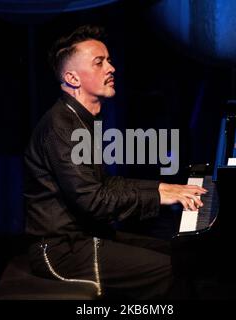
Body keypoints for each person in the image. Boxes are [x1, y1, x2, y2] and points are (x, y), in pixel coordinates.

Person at [24, 25, 207, 299]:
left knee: (178, 252)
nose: (111, 68)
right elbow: (94, 201)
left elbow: (105, 184)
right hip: (61, 252)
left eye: (109, 60)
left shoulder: (81, 120)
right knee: (174, 270)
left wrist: (161, 188)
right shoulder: (62, 127)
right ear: (72, 77)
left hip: (86, 239)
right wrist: (157, 197)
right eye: (99, 62)